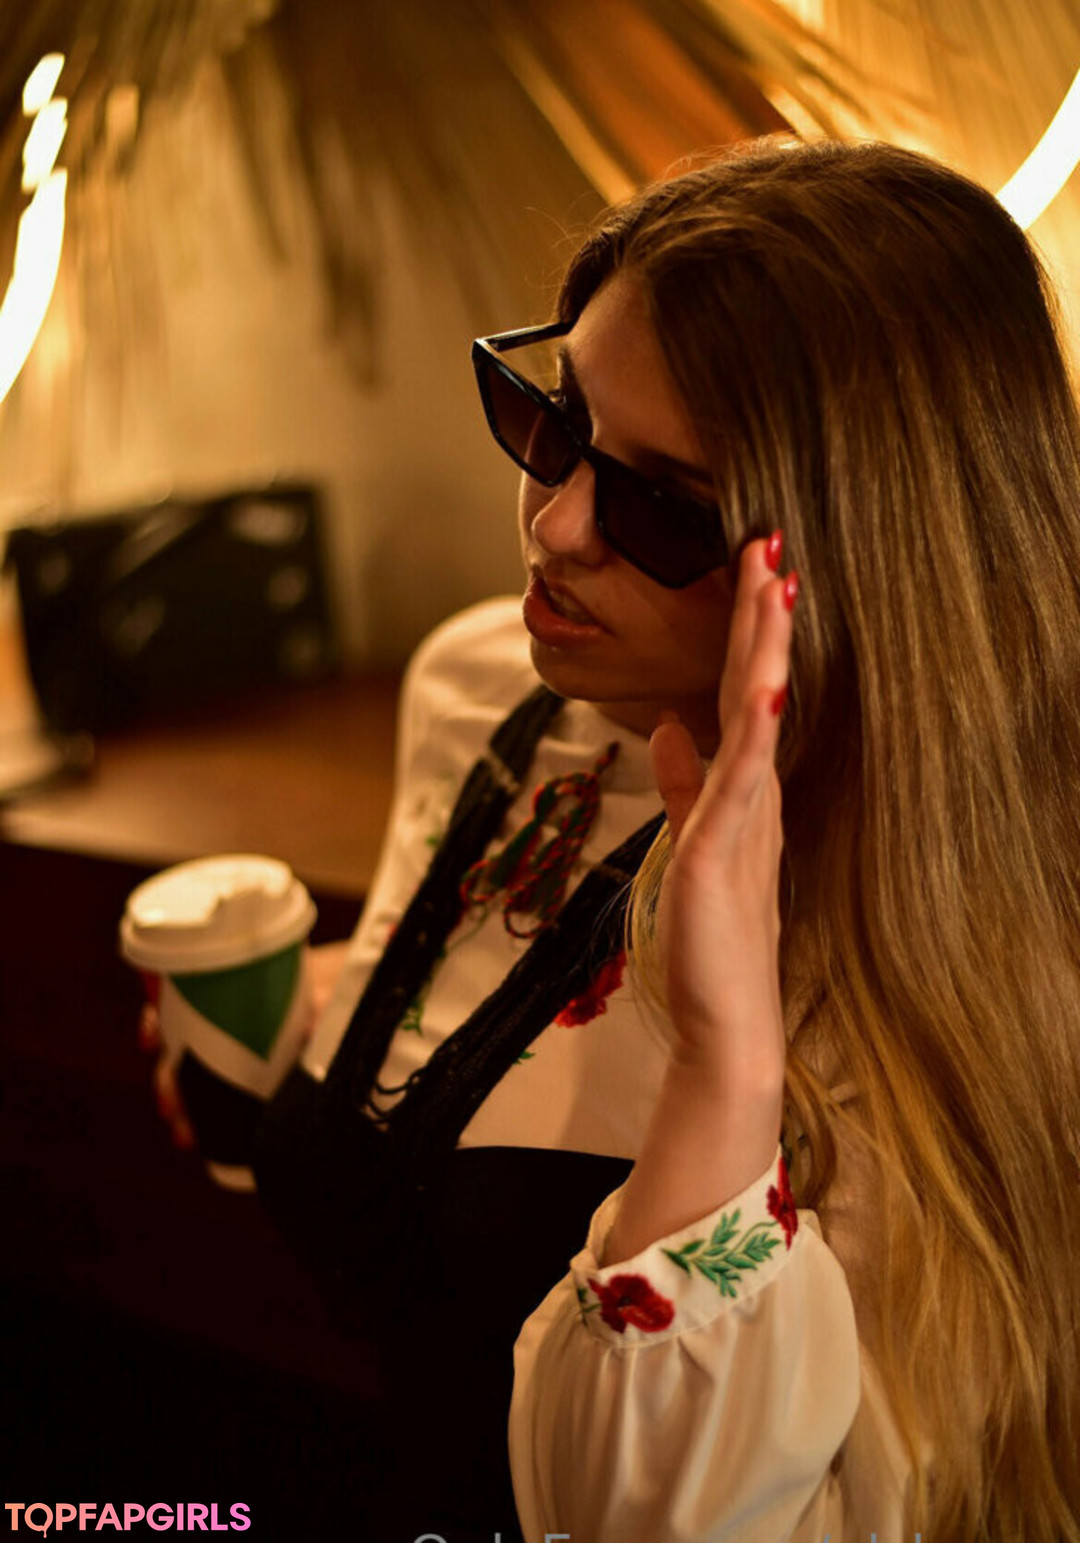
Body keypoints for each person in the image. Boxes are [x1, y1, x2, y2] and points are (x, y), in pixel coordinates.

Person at [146, 136, 1080, 1542]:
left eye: (663, 504)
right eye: (555, 417)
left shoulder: (959, 978)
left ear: (869, 564)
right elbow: (470, 1054)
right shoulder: (485, 695)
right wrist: (314, 1021)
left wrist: (725, 1070)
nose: (556, 520)